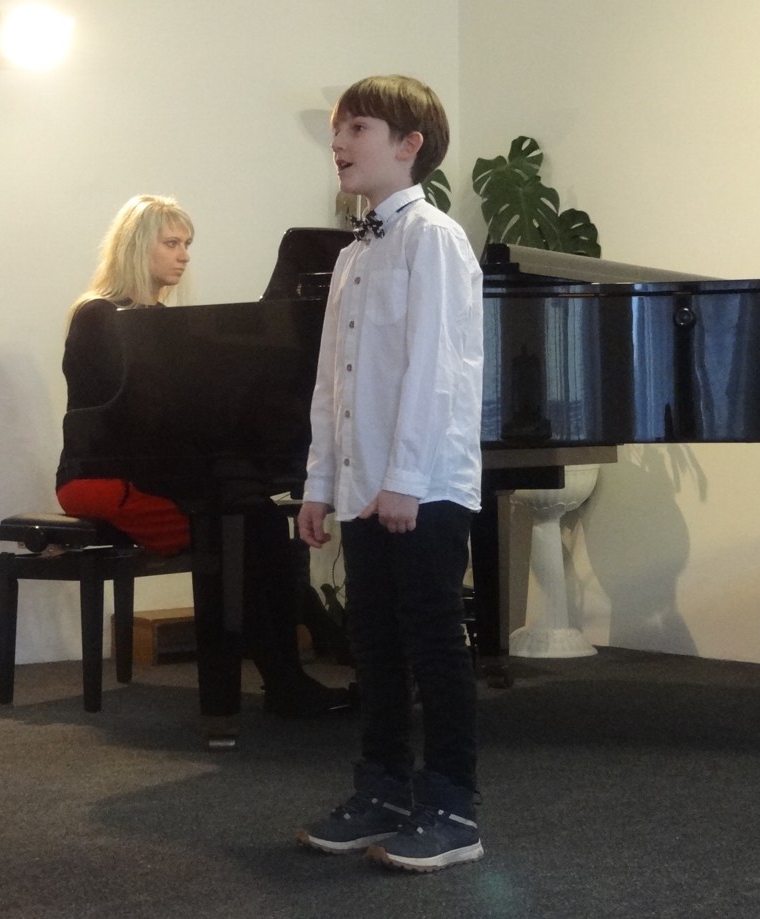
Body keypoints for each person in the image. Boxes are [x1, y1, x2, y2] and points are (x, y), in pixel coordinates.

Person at [55, 194, 350, 717]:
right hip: (101, 475)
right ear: (136, 246)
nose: (184, 255)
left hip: (155, 469)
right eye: (171, 243)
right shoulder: (98, 316)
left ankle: (293, 673)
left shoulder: (159, 320)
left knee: (258, 519)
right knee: (239, 528)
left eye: (186, 244)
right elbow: (124, 421)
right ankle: (288, 676)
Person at [293, 76, 486, 871]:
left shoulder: (431, 237)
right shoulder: (353, 252)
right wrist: (319, 482)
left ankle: (452, 806)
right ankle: (381, 789)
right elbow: (331, 383)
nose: (338, 142)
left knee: (432, 640)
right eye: (337, 129)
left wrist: (404, 475)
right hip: (364, 481)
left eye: (357, 128)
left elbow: (437, 369)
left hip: (422, 483)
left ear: (409, 145)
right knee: (371, 640)